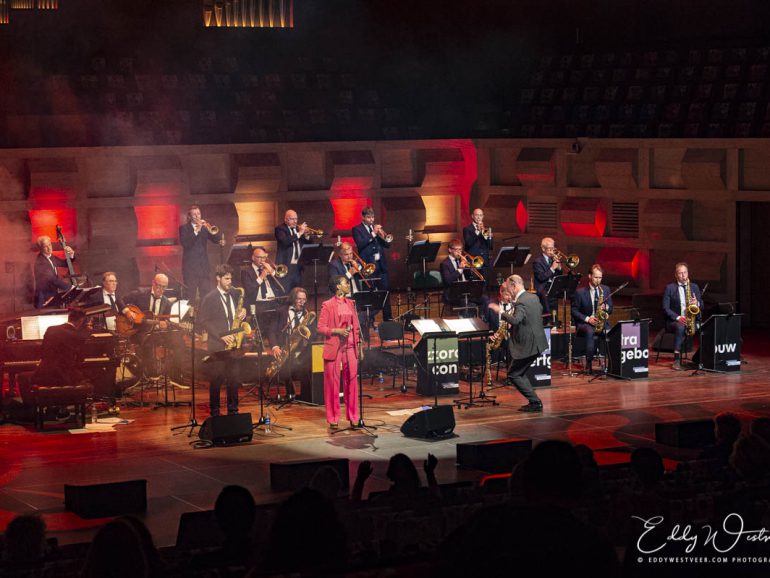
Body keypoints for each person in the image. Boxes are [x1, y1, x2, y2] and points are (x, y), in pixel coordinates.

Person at [490, 275, 548, 412]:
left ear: (514, 285)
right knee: (519, 373)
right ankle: (535, 402)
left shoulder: (521, 301)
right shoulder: (533, 297)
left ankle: (536, 402)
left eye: (509, 288)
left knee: (514, 374)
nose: (508, 291)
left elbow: (515, 320)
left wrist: (501, 312)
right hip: (538, 342)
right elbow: (537, 313)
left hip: (528, 345)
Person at [197, 264, 247, 416]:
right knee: (217, 378)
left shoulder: (234, 293)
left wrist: (244, 312)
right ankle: (215, 411)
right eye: (226, 279)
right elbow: (203, 320)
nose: (229, 282)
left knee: (234, 378)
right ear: (218, 278)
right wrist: (220, 335)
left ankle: (233, 410)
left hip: (233, 343)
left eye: (230, 278)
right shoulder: (210, 297)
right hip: (218, 344)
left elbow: (236, 313)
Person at [317, 275, 362, 430]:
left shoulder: (351, 303)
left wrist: (358, 345)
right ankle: (333, 418)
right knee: (332, 383)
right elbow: (321, 327)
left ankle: (354, 416)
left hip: (350, 347)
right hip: (334, 347)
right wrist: (336, 330)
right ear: (338, 286)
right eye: (345, 283)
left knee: (352, 382)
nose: (348, 285)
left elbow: (356, 327)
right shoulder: (327, 305)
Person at [268, 286, 314, 400]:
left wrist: (307, 338)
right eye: (299, 299)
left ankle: (306, 396)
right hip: (285, 345)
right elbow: (271, 330)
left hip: (302, 348)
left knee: (308, 364)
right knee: (286, 367)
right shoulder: (281, 311)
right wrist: (275, 346)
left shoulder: (307, 314)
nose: (302, 302)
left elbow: (313, 332)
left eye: (304, 299)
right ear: (293, 298)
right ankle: (290, 393)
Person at [571, 264, 613, 375]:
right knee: (591, 332)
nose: (598, 280)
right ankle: (589, 363)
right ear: (590, 276)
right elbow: (574, 311)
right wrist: (587, 319)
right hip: (586, 323)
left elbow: (611, 308)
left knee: (613, 333)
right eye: (596, 277)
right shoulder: (580, 292)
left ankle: (612, 364)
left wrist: (606, 307)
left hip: (601, 321)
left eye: (600, 277)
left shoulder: (606, 289)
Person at [352, 207, 392, 320]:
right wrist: (373, 234)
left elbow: (387, 245)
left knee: (385, 293)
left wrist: (383, 236)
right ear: (363, 217)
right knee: (369, 295)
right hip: (368, 267)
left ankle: (388, 319)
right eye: (369, 217)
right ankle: (369, 321)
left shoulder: (375, 229)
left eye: (373, 217)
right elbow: (360, 244)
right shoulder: (357, 229)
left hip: (381, 266)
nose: (371, 220)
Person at [662, 262, 703, 370]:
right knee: (680, 327)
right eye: (680, 273)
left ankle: (699, 358)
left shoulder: (694, 287)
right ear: (676, 275)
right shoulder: (669, 288)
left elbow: (702, 305)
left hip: (691, 319)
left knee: (707, 328)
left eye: (685, 272)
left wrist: (696, 303)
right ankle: (676, 360)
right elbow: (665, 308)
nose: (683, 275)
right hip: (674, 321)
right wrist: (678, 317)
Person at [179, 205, 224, 302]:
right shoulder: (184, 228)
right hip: (190, 269)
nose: (197, 216)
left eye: (198, 214)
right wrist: (196, 230)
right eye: (194, 214)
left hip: (203, 268)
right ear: (189, 217)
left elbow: (215, 239)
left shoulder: (204, 228)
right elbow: (186, 243)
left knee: (206, 295)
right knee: (190, 297)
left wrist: (212, 231)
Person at [241, 246, 286, 336]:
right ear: (253, 258)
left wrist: (272, 272)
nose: (262, 260)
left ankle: (277, 343)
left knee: (284, 312)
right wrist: (262, 276)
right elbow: (249, 290)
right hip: (258, 303)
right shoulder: (246, 271)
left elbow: (282, 286)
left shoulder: (268, 269)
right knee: (263, 320)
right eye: (260, 257)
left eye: (264, 257)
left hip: (273, 301)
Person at [440, 239, 488, 317]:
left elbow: (470, 277)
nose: (459, 252)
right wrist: (460, 269)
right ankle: (467, 323)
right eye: (456, 250)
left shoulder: (461, 261)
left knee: (484, 298)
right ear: (450, 250)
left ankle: (483, 319)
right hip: (452, 293)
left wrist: (469, 268)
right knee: (468, 303)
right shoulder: (445, 264)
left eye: (460, 250)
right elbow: (448, 280)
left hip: (466, 291)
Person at [274, 209, 313, 292]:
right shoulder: (280, 229)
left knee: (298, 291)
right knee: (286, 290)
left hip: (298, 266)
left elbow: (308, 243)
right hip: (286, 266)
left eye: (296, 219)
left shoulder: (298, 230)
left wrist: (306, 236)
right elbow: (285, 241)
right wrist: (300, 233)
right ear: (286, 219)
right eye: (292, 219)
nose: (295, 221)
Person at [33, 234, 75, 308]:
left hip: (52, 296)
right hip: (44, 299)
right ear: (40, 248)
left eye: (49, 245)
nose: (49, 248)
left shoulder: (51, 257)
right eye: (46, 246)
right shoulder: (40, 262)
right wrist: (70, 287)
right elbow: (52, 280)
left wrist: (71, 255)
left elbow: (65, 263)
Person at [532, 236, 562, 323]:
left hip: (552, 286)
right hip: (543, 288)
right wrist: (552, 268)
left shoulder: (553, 259)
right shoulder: (537, 261)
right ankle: (547, 321)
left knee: (559, 295)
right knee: (546, 297)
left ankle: (555, 322)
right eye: (549, 249)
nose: (552, 251)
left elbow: (558, 275)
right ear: (543, 249)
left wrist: (559, 266)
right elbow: (541, 277)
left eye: (553, 248)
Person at [463, 208, 493, 286]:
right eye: (477, 215)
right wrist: (477, 232)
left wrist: (489, 237)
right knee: (474, 284)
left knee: (484, 283)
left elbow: (490, 246)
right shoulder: (467, 229)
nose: (479, 217)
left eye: (480, 215)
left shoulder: (485, 229)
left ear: (483, 217)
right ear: (472, 216)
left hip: (484, 260)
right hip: (473, 260)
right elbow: (469, 243)